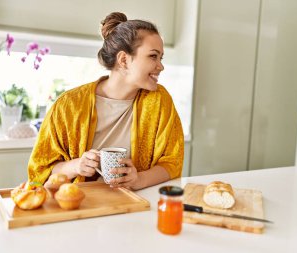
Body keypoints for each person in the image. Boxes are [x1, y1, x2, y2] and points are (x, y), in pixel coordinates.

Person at [27, 12, 184, 190]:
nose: (160, 66)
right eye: (153, 56)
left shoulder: (160, 101)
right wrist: (77, 165)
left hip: (135, 203)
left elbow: (172, 162)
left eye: (161, 57)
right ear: (124, 60)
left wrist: (139, 179)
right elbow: (41, 171)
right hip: (78, 205)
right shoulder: (68, 105)